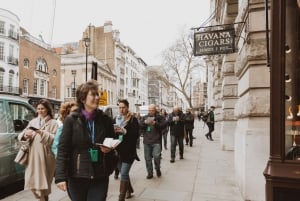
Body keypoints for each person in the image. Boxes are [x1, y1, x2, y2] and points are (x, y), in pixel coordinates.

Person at [55, 80, 116, 201]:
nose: (97, 97)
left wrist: (109, 149)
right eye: (93, 94)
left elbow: (112, 142)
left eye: (97, 94)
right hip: (77, 174)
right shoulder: (71, 120)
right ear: (83, 99)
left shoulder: (105, 119)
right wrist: (60, 176)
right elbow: (63, 149)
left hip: (100, 174)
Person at [18, 99, 58, 201]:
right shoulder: (33, 121)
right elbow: (22, 135)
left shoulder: (53, 123)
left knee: (43, 186)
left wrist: (41, 132)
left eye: (42, 109)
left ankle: (43, 199)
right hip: (33, 156)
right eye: (38, 109)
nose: (40, 111)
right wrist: (25, 135)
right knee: (33, 183)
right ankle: (42, 198)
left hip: (46, 157)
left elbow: (55, 139)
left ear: (48, 110)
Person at [113, 99, 139, 201]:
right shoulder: (116, 119)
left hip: (129, 152)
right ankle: (129, 190)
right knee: (123, 172)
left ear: (127, 107)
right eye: (120, 107)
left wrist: (124, 131)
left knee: (123, 173)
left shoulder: (133, 120)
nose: (121, 109)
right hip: (117, 151)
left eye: (123, 107)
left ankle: (121, 198)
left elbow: (135, 135)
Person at [140, 104, 166, 179]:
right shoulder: (144, 117)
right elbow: (140, 126)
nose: (150, 111)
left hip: (156, 141)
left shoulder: (159, 117)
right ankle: (150, 173)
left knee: (157, 157)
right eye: (149, 110)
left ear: (155, 110)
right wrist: (144, 123)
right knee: (147, 158)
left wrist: (155, 123)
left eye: (152, 110)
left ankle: (158, 169)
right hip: (147, 141)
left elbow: (163, 126)